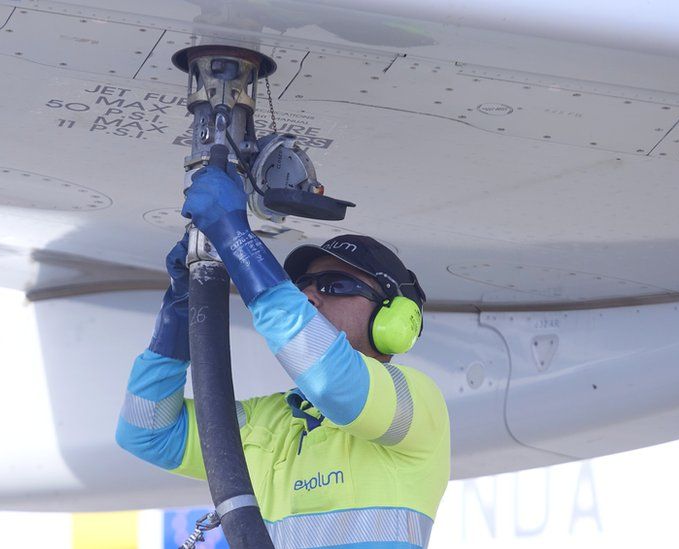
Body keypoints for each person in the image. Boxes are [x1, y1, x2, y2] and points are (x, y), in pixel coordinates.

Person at [116, 162, 450, 548]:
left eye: (335, 285)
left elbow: (334, 382)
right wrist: (179, 309)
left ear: (394, 320)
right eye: (303, 284)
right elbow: (145, 430)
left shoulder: (421, 405)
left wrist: (235, 237)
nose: (310, 295)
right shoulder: (270, 421)